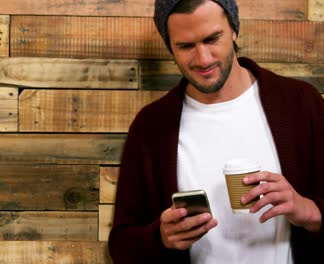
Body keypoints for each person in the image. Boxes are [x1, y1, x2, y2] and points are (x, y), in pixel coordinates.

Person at [108, 0, 324, 263]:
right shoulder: (151, 127)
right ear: (170, 47)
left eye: (212, 39)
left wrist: (311, 213)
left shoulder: (301, 104)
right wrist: (160, 238)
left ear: (234, 29)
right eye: (186, 46)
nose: (203, 59)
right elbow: (121, 246)